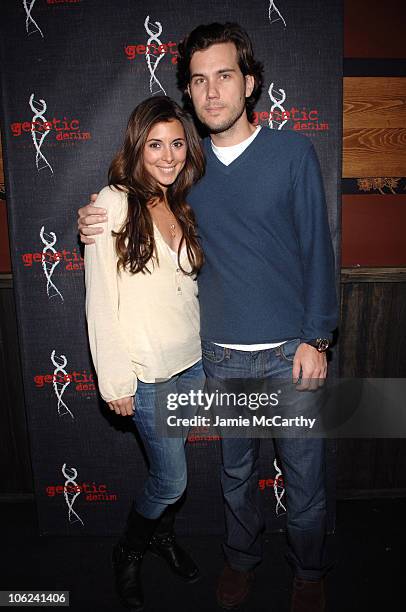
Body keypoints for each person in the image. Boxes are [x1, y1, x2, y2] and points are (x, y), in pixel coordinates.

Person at [79, 23, 338, 612]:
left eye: (224, 76)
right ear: (189, 92)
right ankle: (242, 561)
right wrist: (91, 215)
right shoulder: (186, 175)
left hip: (290, 355)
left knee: (304, 480)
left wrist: (316, 337)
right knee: (235, 478)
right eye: (199, 80)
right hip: (219, 358)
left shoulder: (292, 152)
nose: (212, 91)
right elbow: (131, 205)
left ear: (249, 84)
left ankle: (310, 571)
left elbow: (319, 250)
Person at [84, 95, 206, 611]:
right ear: (136, 146)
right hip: (147, 375)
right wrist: (115, 382)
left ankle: (161, 537)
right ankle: (129, 551)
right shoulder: (111, 204)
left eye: (177, 143)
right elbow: (99, 303)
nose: (168, 154)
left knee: (172, 475)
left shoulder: (182, 200)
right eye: (155, 144)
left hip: (191, 366)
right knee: (171, 478)